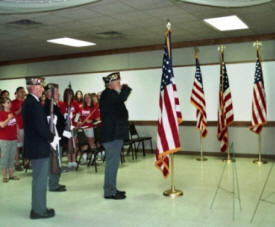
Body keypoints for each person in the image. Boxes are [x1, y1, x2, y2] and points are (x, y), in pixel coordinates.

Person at [22, 77, 55, 219]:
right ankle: (39, 211)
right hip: (38, 147)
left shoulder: (31, 102)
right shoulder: (32, 104)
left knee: (38, 179)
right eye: (40, 86)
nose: (42, 89)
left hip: (36, 146)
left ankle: (38, 207)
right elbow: (40, 127)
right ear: (32, 87)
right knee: (40, 181)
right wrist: (51, 136)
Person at [100, 72, 132, 200]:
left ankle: (112, 188)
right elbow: (122, 98)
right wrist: (126, 88)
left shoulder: (111, 95)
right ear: (111, 85)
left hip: (115, 135)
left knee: (113, 164)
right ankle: (109, 192)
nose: (120, 84)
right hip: (112, 136)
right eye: (118, 83)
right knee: (112, 164)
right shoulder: (108, 95)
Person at [44, 83, 66, 192]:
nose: (58, 93)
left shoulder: (54, 104)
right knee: (54, 161)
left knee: (57, 161)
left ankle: (55, 182)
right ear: (49, 94)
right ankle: (53, 185)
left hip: (58, 138)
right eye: (55, 92)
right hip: (54, 139)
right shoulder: (49, 106)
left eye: (58, 91)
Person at [0, 97, 20, 183]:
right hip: (5, 139)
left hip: (13, 138)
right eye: (7, 102)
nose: (9, 104)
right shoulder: (1, 113)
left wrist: (18, 134)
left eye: (10, 102)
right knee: (5, 157)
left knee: (12, 157)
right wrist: (8, 118)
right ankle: (4, 176)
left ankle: (11, 175)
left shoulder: (12, 113)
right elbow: (2, 125)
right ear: (3, 104)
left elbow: (16, 125)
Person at [59, 87, 80, 169]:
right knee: (68, 144)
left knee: (74, 144)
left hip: (73, 127)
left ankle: (74, 160)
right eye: (68, 94)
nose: (69, 96)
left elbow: (78, 113)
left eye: (71, 94)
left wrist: (76, 121)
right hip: (66, 128)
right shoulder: (62, 104)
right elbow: (61, 116)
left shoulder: (75, 104)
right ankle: (69, 161)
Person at [11, 87, 26, 171]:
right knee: (17, 146)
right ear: (16, 93)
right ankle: (17, 163)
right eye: (21, 92)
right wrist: (21, 109)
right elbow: (13, 114)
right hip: (18, 127)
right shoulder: (13, 103)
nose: (23, 93)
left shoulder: (26, 102)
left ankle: (25, 162)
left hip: (26, 127)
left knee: (25, 146)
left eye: (24, 92)